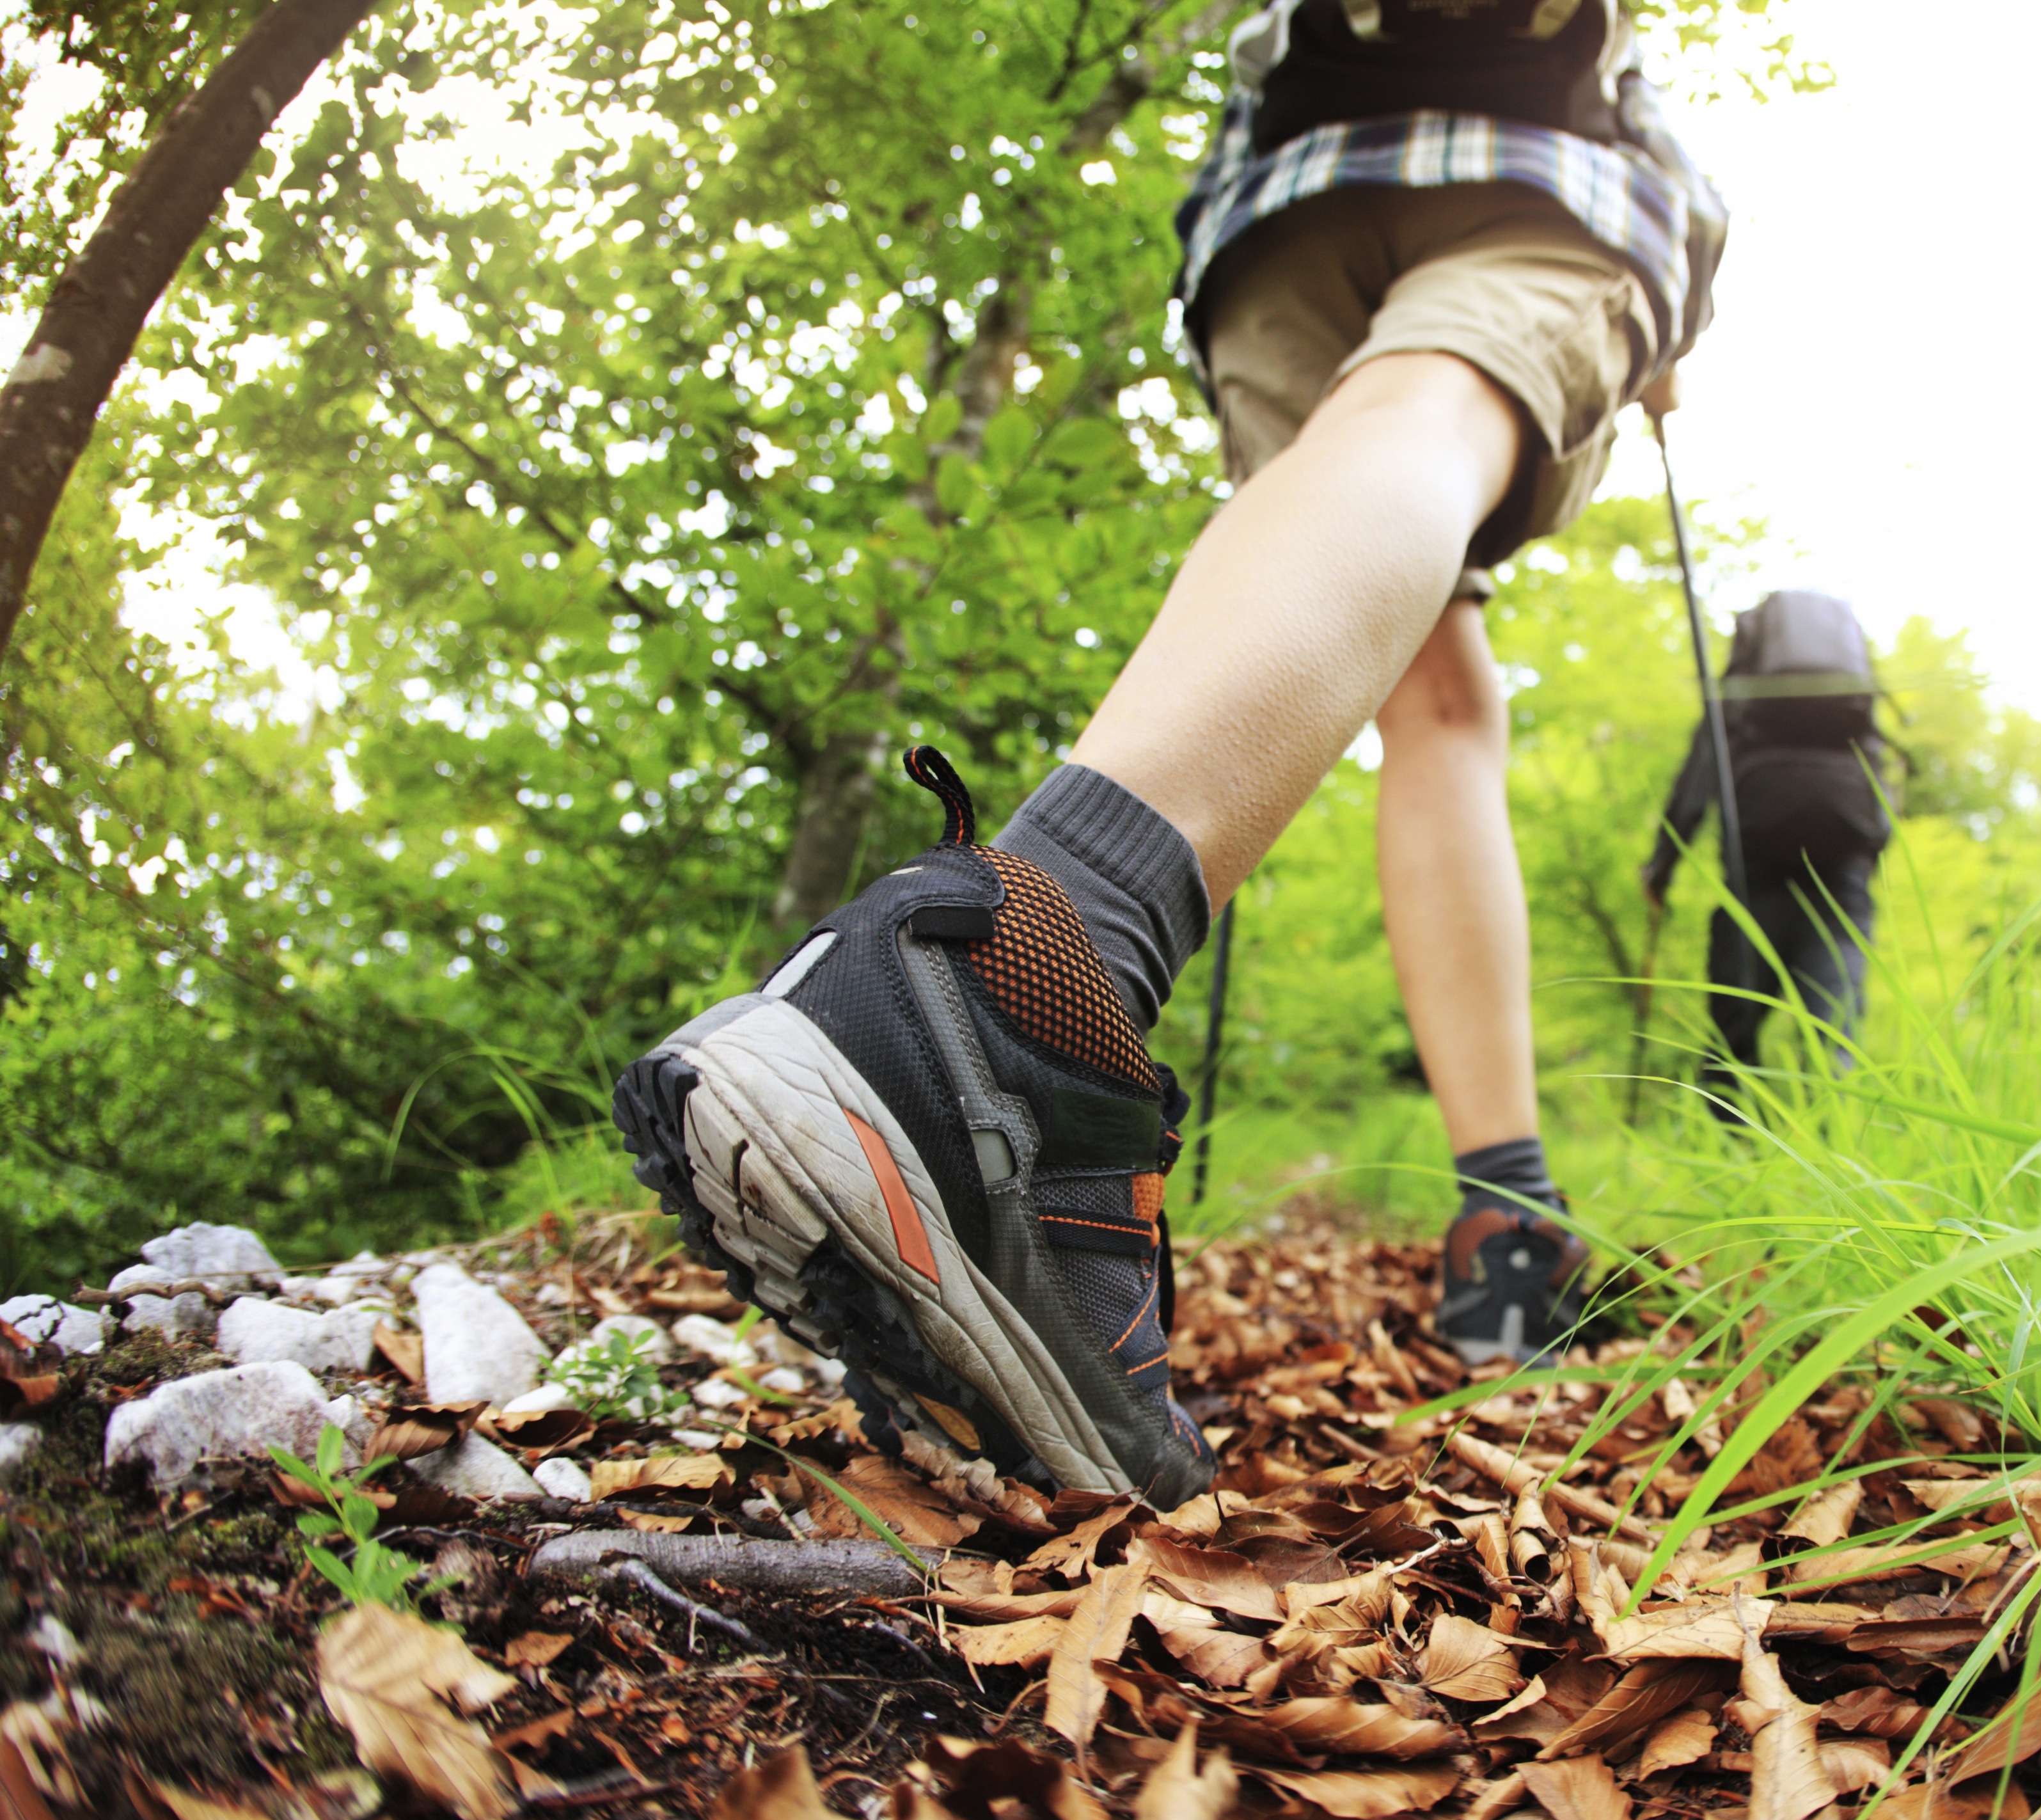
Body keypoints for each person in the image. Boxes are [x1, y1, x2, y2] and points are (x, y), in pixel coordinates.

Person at [612, 0, 1726, 1507]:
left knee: (1437, 687)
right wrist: (1675, 299)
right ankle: (1012, 977)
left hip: (1276, 223)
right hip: (1540, 162)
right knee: (1426, 412)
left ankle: (1502, 1230)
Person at [1643, 589, 1893, 1106]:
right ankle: (1835, 1169)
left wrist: (1661, 870)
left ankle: (1727, 1159)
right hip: (1842, 888)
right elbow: (1882, 805)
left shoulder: (1738, 710)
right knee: (1835, 1035)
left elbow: (1694, 785)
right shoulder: (1853, 714)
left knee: (1732, 1040)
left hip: (1755, 880)